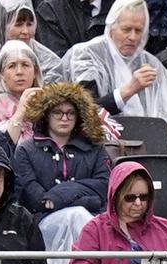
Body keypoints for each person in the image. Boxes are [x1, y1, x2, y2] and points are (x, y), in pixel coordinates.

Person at [69, 0, 167, 140]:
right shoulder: (87, 56)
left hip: (148, 141)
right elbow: (86, 110)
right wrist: (129, 90)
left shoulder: (149, 62)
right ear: (111, 28)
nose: (133, 37)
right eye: (126, 29)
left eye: (138, 30)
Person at [12, 79, 109, 250]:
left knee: (78, 216)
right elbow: (35, 199)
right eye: (58, 112)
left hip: (91, 219)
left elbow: (104, 186)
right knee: (75, 215)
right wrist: (86, 201)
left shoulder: (95, 149)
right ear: (46, 115)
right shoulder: (26, 150)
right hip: (41, 223)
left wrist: (61, 195)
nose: (65, 118)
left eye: (71, 113)